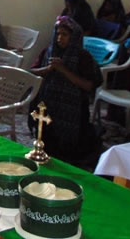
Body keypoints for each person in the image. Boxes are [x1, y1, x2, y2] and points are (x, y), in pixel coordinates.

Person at [29, 17, 102, 162]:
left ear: (74, 37)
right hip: (48, 104)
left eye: (65, 35)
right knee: (46, 145)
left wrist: (63, 70)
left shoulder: (83, 57)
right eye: (58, 34)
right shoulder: (49, 52)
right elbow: (32, 72)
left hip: (72, 110)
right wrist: (48, 69)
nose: (60, 38)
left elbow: (89, 85)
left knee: (67, 153)